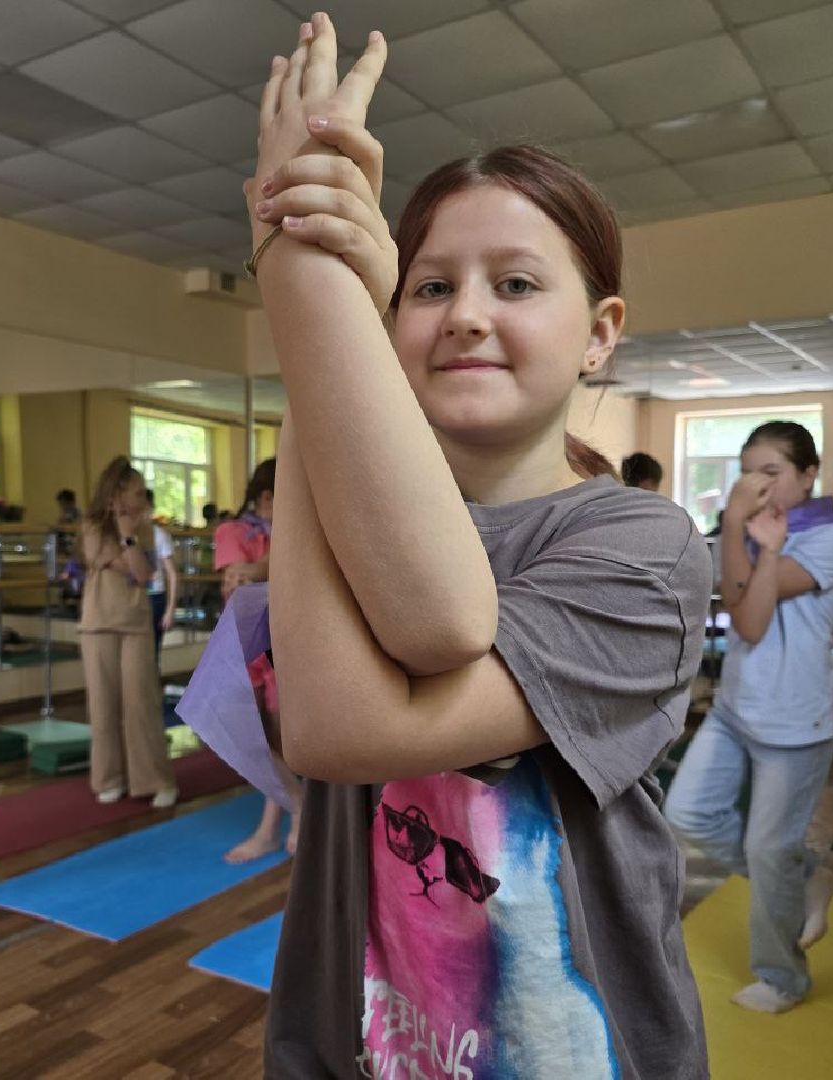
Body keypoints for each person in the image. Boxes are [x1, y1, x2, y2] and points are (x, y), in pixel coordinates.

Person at [249, 17, 711, 1075]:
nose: (464, 315)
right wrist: (329, 303)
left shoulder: (645, 547)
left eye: (516, 284)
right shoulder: (336, 517)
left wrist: (303, 283)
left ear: (600, 333)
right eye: (427, 287)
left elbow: (351, 722)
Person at [664, 421, 833, 1014]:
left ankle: (782, 977)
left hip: (796, 720)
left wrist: (752, 539)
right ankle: (808, 877)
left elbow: (748, 621)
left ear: (808, 473)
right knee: (687, 811)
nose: (757, 485)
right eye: (748, 472)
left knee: (770, 849)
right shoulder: (751, 530)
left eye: (772, 472)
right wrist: (738, 528)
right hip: (735, 707)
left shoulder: (832, 538)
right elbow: (731, 598)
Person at [214, 459, 302, 863]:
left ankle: (274, 826)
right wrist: (254, 573)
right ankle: (298, 806)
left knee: (284, 739)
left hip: (286, 641)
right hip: (248, 642)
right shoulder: (236, 531)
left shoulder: (294, 530)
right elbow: (239, 579)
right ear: (267, 496)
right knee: (252, 736)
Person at [78, 457, 176, 807]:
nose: (142, 499)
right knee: (103, 705)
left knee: (142, 703)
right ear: (116, 494)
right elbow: (119, 565)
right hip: (97, 623)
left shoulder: (144, 529)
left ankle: (155, 780)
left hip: (136, 623)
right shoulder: (92, 526)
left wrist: (128, 536)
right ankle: (109, 778)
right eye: (136, 492)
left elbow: (144, 574)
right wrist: (124, 541)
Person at [143, 489, 177, 666]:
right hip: (135, 596)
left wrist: (170, 609)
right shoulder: (128, 535)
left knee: (152, 652)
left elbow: (172, 574)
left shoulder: (160, 535)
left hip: (155, 596)